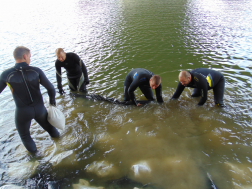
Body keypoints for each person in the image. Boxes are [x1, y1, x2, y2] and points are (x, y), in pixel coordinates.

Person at [0, 46, 60, 153]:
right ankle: (61, 145)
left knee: (25, 136)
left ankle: (36, 158)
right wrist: (52, 104)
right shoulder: (36, 71)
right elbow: (51, 88)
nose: (29, 59)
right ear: (24, 56)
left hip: (23, 112)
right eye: (29, 57)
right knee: (51, 129)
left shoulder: (6, 75)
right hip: (40, 109)